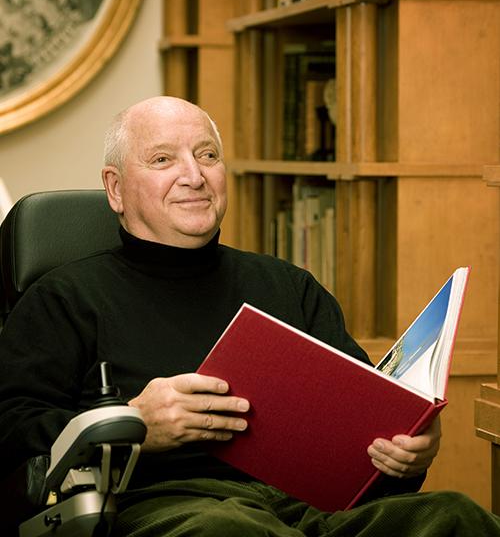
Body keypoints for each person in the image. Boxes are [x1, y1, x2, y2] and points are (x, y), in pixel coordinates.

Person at [0, 95, 498, 537]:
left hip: (310, 510)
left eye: (208, 155)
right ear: (115, 189)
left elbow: (362, 431)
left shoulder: (289, 287)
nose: (194, 176)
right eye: (162, 159)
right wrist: (132, 424)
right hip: (162, 508)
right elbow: (11, 433)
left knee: (456, 515)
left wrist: (407, 452)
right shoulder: (63, 298)